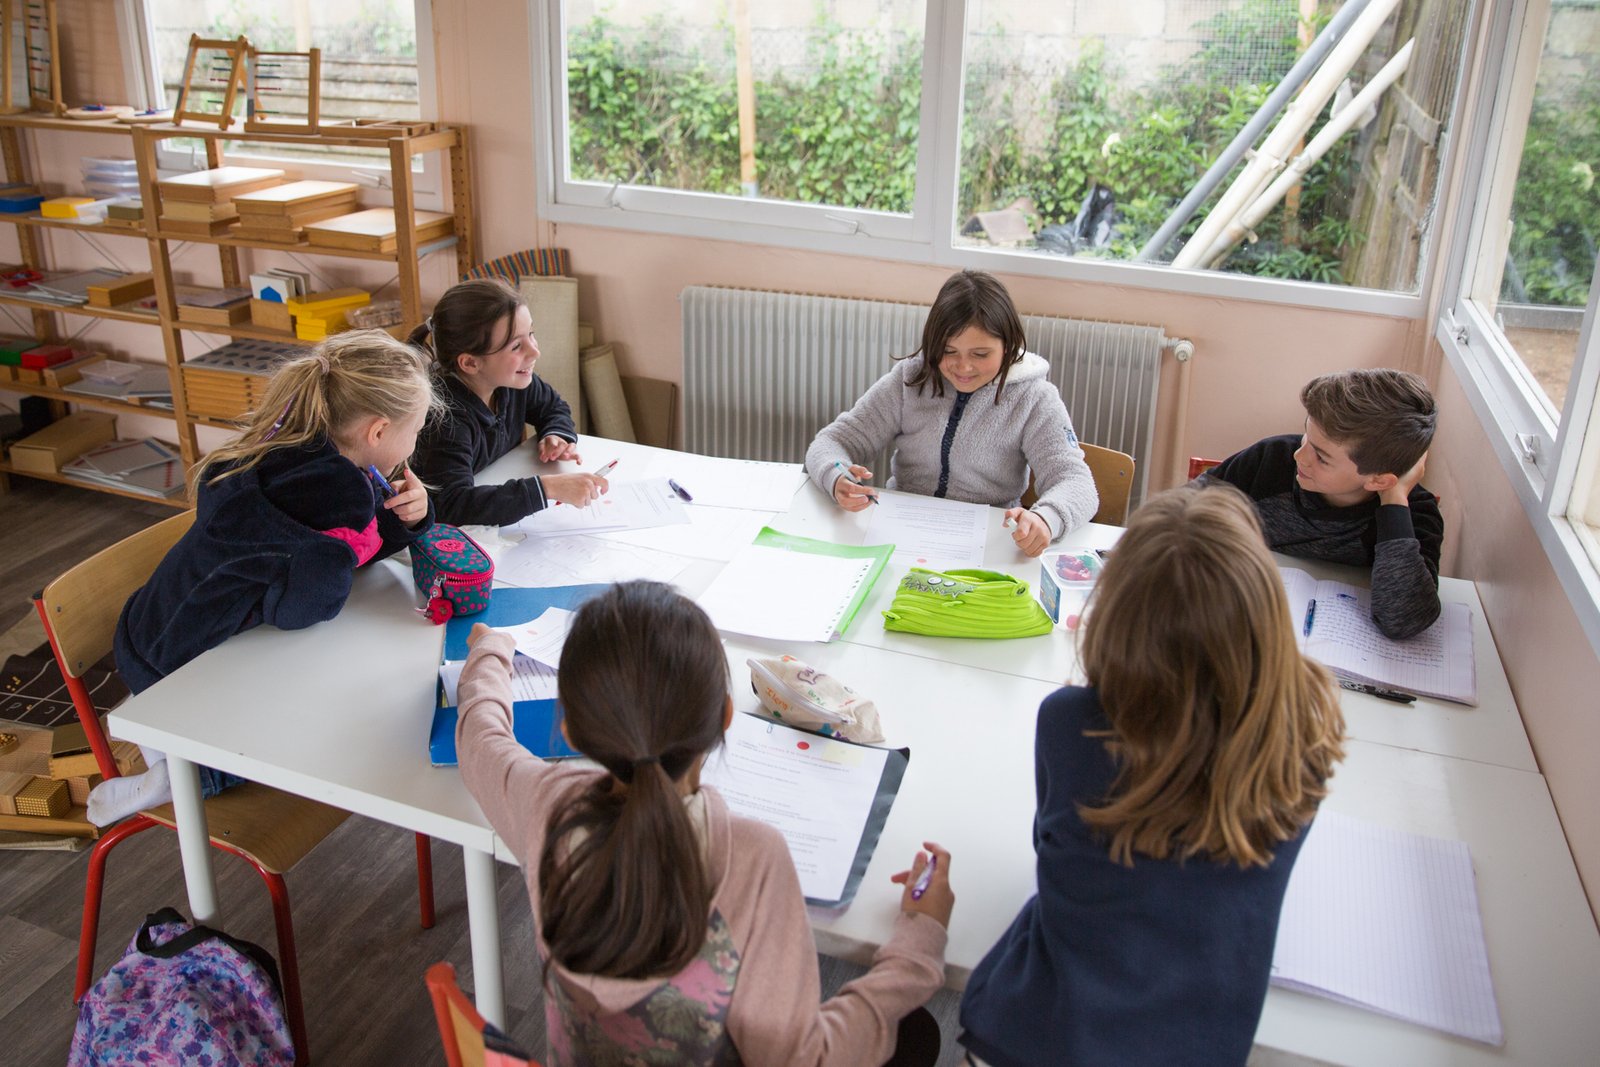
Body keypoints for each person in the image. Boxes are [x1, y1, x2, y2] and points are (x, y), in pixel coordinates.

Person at [456, 581, 953, 1066]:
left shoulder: (546, 807)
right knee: (914, 1033)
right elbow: (804, 1056)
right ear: (725, 718)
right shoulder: (754, 857)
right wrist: (917, 947)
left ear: (570, 730)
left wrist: (492, 649)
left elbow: (480, 737)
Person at [958, 485, 1345, 1067]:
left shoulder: (1071, 724)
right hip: (1201, 1044)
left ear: (1115, 616)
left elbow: (1050, 848)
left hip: (1046, 1036)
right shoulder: (1301, 737)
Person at [94, 331, 441, 827]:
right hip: (178, 672)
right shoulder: (333, 496)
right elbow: (305, 609)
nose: (416, 444)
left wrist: (411, 520)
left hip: (152, 628)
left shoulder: (300, 450)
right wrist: (347, 554)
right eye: (417, 429)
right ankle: (188, 777)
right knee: (306, 731)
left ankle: (163, 746)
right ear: (379, 431)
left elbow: (340, 546)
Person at [805, 269, 1097, 557]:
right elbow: (833, 441)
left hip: (988, 544)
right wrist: (837, 476)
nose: (963, 367)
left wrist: (1047, 518)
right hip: (900, 532)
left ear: (1008, 347)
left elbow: (1075, 482)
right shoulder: (910, 379)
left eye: (980, 354)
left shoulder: (1034, 398)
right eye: (948, 351)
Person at [1196, 367, 1441, 639]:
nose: (1299, 456)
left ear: (1380, 480)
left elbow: (1403, 621)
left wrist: (1393, 499)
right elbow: (1173, 523)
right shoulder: (1269, 460)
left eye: (1322, 457)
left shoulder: (1413, 514)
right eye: (1306, 436)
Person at [409, 278, 607, 525]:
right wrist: (545, 489)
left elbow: (553, 407)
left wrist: (556, 434)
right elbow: (451, 505)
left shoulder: (512, 383)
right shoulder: (445, 419)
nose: (535, 351)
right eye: (516, 346)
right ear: (470, 363)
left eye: (531, 334)